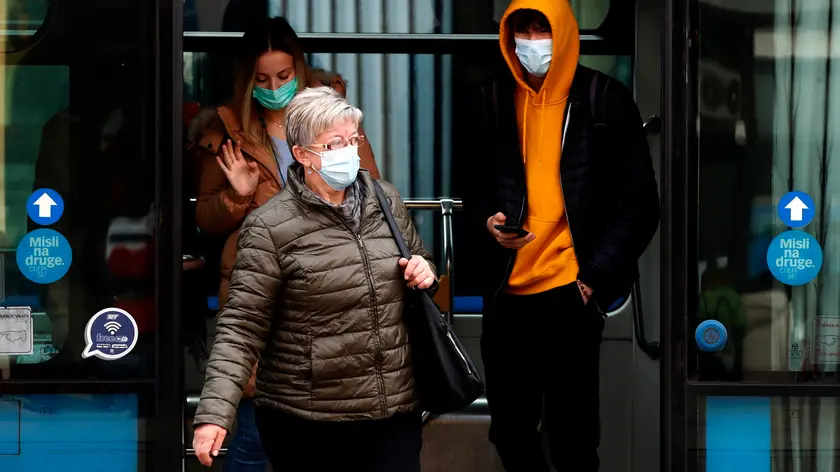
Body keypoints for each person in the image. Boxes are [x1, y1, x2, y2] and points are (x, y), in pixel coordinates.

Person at [192, 86, 435, 471]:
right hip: (309, 420)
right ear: (302, 155)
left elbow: (419, 260)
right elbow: (241, 326)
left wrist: (425, 270)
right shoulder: (270, 226)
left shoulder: (385, 200)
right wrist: (215, 413)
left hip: (391, 409)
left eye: (352, 139)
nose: (348, 150)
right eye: (334, 143)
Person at [462, 1, 660, 471]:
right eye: (522, 29)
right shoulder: (491, 99)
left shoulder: (604, 99)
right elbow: (471, 187)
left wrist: (593, 278)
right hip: (508, 295)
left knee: (574, 439)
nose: (531, 40)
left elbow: (641, 205)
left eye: (542, 28)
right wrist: (488, 221)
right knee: (510, 432)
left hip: (571, 292)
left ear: (565, 31)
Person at [189, 17, 381, 471]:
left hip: (332, 289)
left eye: (283, 76)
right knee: (256, 430)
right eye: (261, 80)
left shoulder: (334, 119)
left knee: (329, 429)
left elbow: (370, 193)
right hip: (261, 289)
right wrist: (238, 193)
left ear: (299, 69)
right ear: (246, 81)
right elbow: (205, 218)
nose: (274, 87)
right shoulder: (231, 131)